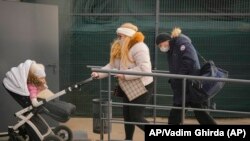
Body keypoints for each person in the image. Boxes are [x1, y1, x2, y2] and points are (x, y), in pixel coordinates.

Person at [91, 22, 154, 140]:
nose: (118, 38)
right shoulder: (121, 47)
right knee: (127, 116)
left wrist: (124, 75)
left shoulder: (139, 47)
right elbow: (111, 65)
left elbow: (145, 69)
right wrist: (98, 73)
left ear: (127, 35)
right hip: (127, 86)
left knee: (136, 117)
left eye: (120, 36)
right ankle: (128, 138)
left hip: (142, 86)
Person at [155, 27, 217, 125]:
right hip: (184, 86)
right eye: (159, 46)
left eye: (161, 45)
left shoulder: (182, 43)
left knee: (199, 114)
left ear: (166, 41)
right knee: (181, 115)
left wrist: (179, 76)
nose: (161, 47)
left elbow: (190, 61)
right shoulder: (172, 48)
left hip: (189, 85)